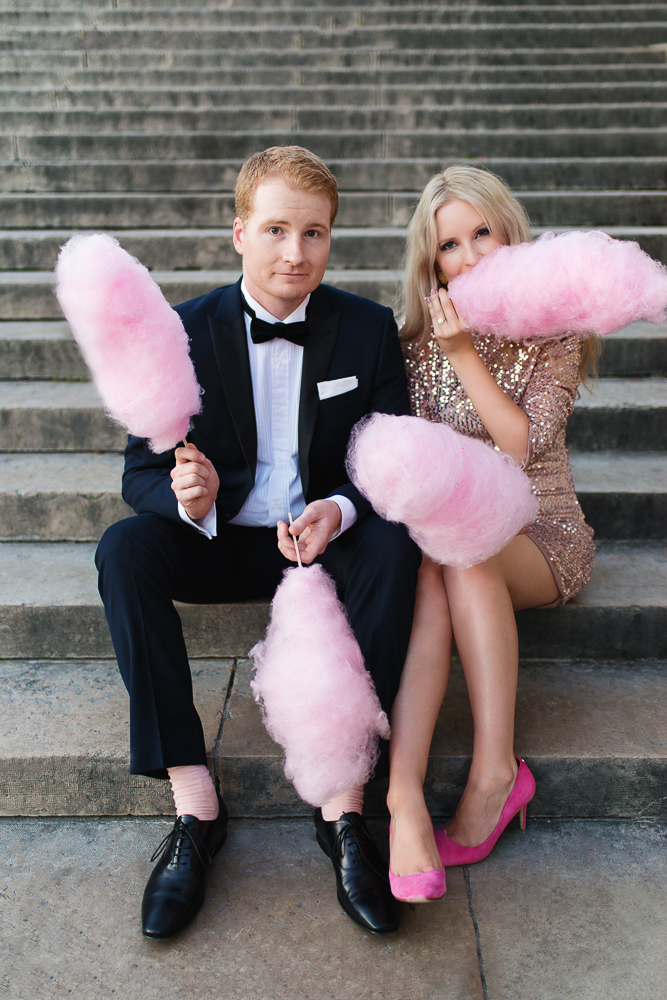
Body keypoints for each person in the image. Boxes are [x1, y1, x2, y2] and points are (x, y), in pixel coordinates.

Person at [95, 145, 421, 938]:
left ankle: (344, 805)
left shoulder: (370, 329)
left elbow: (393, 458)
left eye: (314, 233)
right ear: (239, 232)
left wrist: (340, 510)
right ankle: (193, 805)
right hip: (222, 538)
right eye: (275, 229)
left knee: (393, 547)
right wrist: (187, 498)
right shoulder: (182, 330)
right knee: (123, 549)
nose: (294, 252)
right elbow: (139, 472)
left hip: (322, 540)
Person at [385, 165, 596, 902]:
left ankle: (493, 774)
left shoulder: (556, 330)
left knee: (463, 551)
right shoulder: (412, 339)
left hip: (541, 532)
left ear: (511, 233)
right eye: (450, 244)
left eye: (483, 233)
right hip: (451, 539)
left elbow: (519, 448)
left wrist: (464, 354)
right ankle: (401, 797)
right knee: (441, 562)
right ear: (431, 261)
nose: (470, 255)